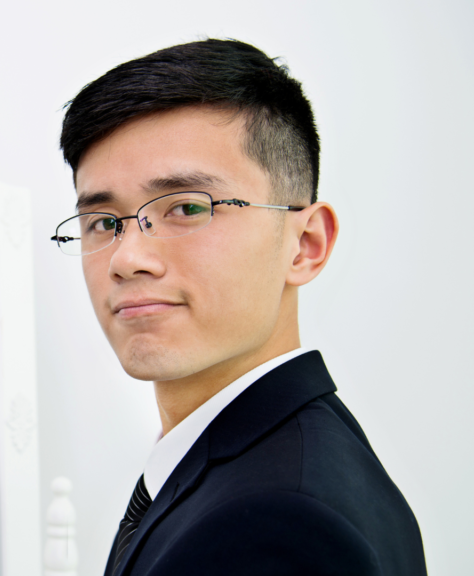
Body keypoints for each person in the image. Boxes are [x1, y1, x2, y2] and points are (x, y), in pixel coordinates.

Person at [54, 39, 425, 575]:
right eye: (105, 222)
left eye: (186, 207)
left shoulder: (279, 523)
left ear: (305, 244)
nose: (127, 258)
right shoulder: (250, 466)